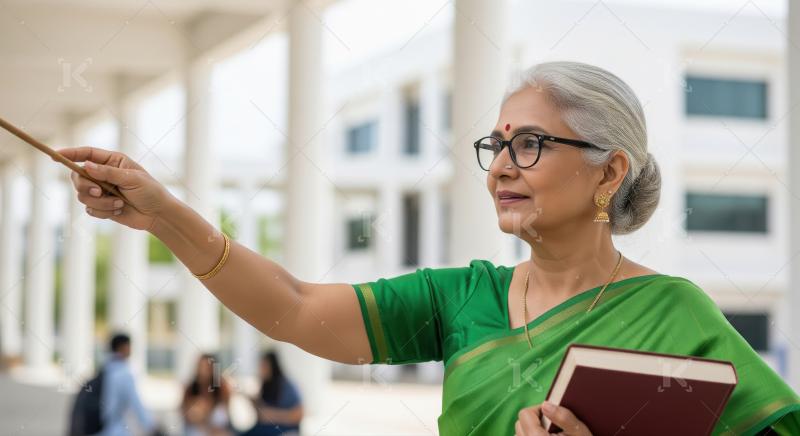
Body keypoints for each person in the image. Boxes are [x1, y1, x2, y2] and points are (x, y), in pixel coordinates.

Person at [58, 60, 800, 435]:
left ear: (609, 171)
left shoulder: (674, 315)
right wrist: (162, 216)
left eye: (532, 144)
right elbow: (290, 307)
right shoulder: (462, 299)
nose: (502, 165)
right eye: (497, 145)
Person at [100, 333, 157, 436]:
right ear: (124, 347)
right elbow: (137, 405)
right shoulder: (124, 374)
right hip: (115, 430)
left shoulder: (105, 370)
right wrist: (152, 428)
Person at [242, 351, 303, 436]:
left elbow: (298, 415)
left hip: (284, 429)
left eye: (264, 366)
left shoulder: (285, 386)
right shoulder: (266, 384)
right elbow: (262, 412)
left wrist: (271, 415)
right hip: (266, 428)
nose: (261, 370)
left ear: (272, 366)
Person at [181, 353, 233, 436]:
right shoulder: (190, 388)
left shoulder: (222, 388)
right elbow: (186, 415)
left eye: (206, 368)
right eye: (201, 367)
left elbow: (226, 416)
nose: (203, 371)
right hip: (197, 431)